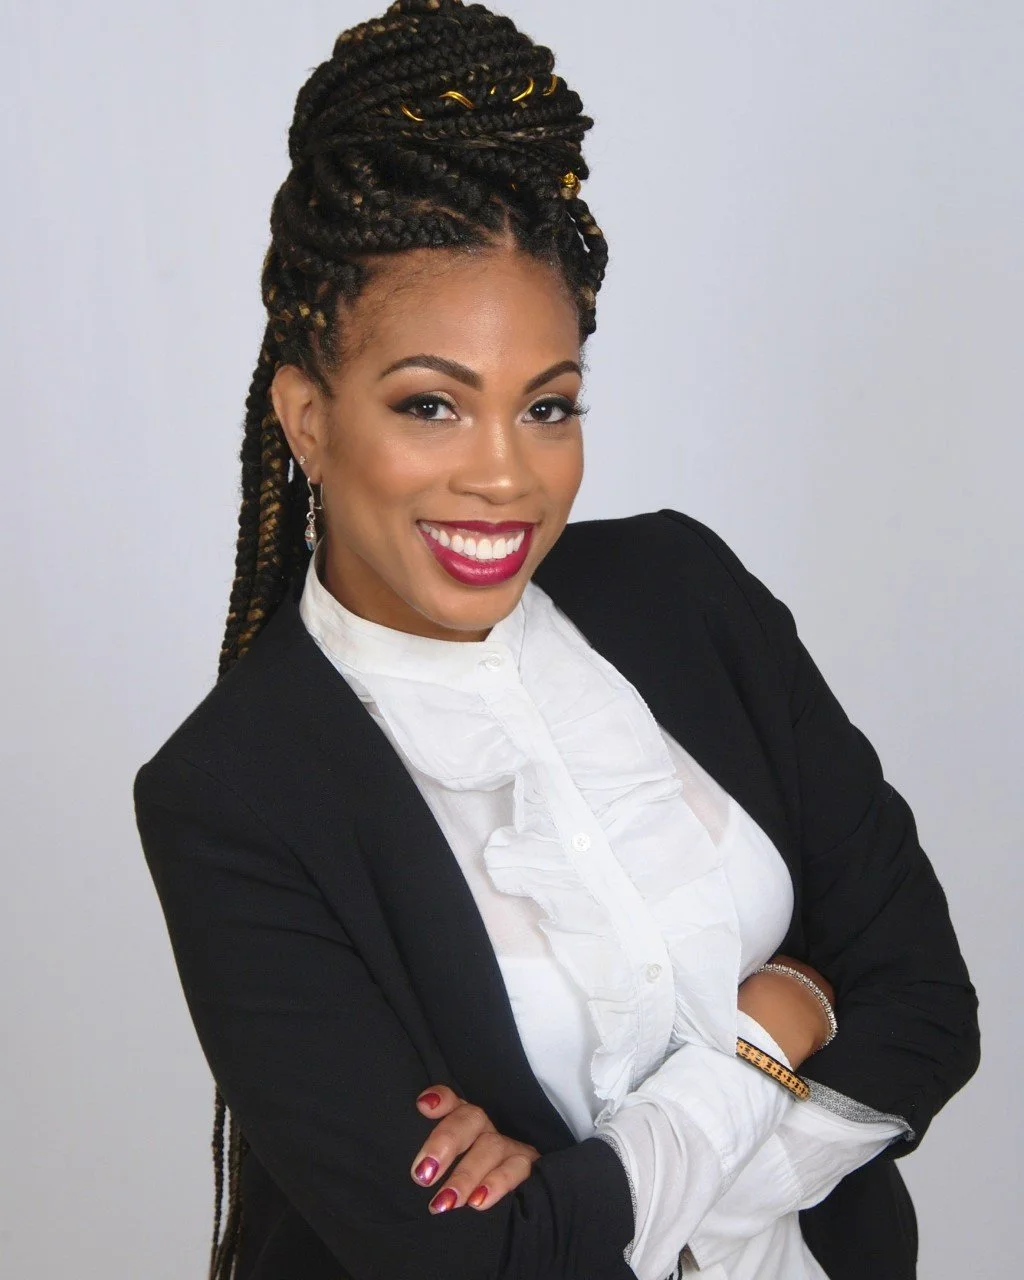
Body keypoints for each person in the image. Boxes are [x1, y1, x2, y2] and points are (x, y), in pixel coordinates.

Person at [131, 2, 980, 1278]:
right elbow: (476, 1261)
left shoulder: (683, 591)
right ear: (306, 418)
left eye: (547, 405)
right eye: (431, 403)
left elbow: (927, 997)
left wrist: (620, 1186)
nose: (503, 475)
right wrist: (778, 1022)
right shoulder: (231, 795)